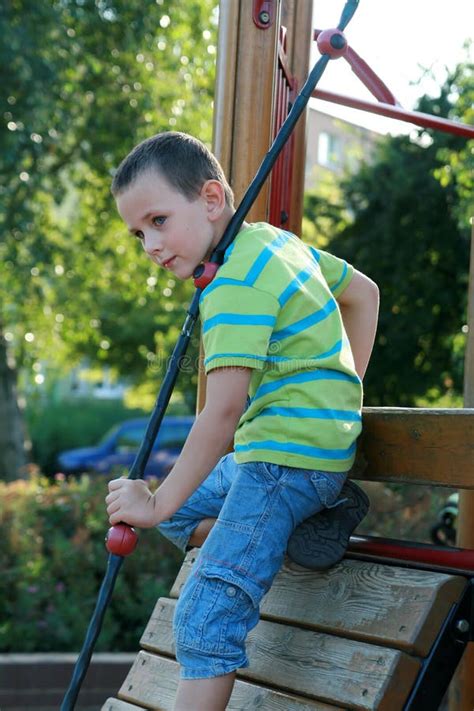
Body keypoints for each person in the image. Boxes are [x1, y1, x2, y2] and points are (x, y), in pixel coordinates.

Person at [105, 131, 379, 711]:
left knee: (205, 615)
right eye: (137, 233)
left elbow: (222, 413)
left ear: (210, 199)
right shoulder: (276, 245)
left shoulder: (231, 286)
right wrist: (344, 397)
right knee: (183, 517)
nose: (150, 245)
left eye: (158, 220)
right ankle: (300, 530)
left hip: (282, 464)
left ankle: (281, 527)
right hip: (283, 459)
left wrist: (152, 503)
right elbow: (366, 295)